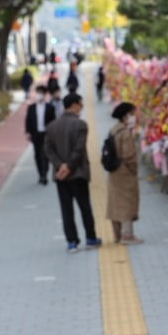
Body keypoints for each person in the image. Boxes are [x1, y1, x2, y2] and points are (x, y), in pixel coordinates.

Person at [44, 93, 101, 252]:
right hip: (78, 173)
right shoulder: (81, 125)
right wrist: (68, 166)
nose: (82, 107)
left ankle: (71, 242)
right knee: (85, 207)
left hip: (60, 176)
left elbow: (48, 150)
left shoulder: (52, 126)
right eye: (81, 104)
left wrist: (59, 166)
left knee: (66, 209)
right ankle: (90, 238)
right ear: (74, 105)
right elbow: (79, 149)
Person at [106, 102, 143, 245]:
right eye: (133, 114)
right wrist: (134, 169)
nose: (134, 117)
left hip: (114, 172)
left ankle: (117, 234)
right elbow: (129, 155)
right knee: (127, 202)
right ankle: (127, 235)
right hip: (125, 172)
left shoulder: (114, 129)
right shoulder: (125, 133)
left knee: (115, 202)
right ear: (126, 115)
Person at [25, 85, 55, 184]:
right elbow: (28, 120)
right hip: (35, 134)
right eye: (38, 93)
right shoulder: (31, 107)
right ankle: (40, 174)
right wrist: (28, 132)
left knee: (45, 154)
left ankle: (44, 174)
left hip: (46, 134)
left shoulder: (50, 107)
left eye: (41, 93)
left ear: (45, 95)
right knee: (37, 154)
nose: (39, 95)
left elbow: (53, 122)